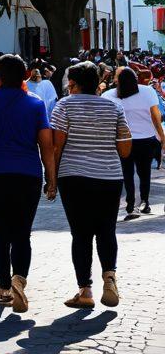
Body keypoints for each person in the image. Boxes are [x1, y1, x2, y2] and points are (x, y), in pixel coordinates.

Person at [0, 53, 56, 312]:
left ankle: (4, 287)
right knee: (22, 234)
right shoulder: (36, 104)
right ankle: (19, 278)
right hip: (28, 175)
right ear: (27, 76)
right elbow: (46, 145)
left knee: (0, 235)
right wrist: (51, 180)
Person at [51, 61, 132, 309]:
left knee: (81, 234)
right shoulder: (114, 106)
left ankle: (85, 290)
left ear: (73, 84)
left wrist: (51, 179)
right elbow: (125, 149)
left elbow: (57, 146)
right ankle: (110, 277)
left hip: (73, 177)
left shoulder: (63, 105)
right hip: (109, 176)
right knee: (107, 230)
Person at [104, 66, 165, 217]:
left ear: (117, 80)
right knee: (145, 173)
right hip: (146, 139)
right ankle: (145, 201)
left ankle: (130, 202)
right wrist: (162, 137)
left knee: (127, 173)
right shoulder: (148, 91)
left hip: (123, 141)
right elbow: (155, 117)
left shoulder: (108, 95)